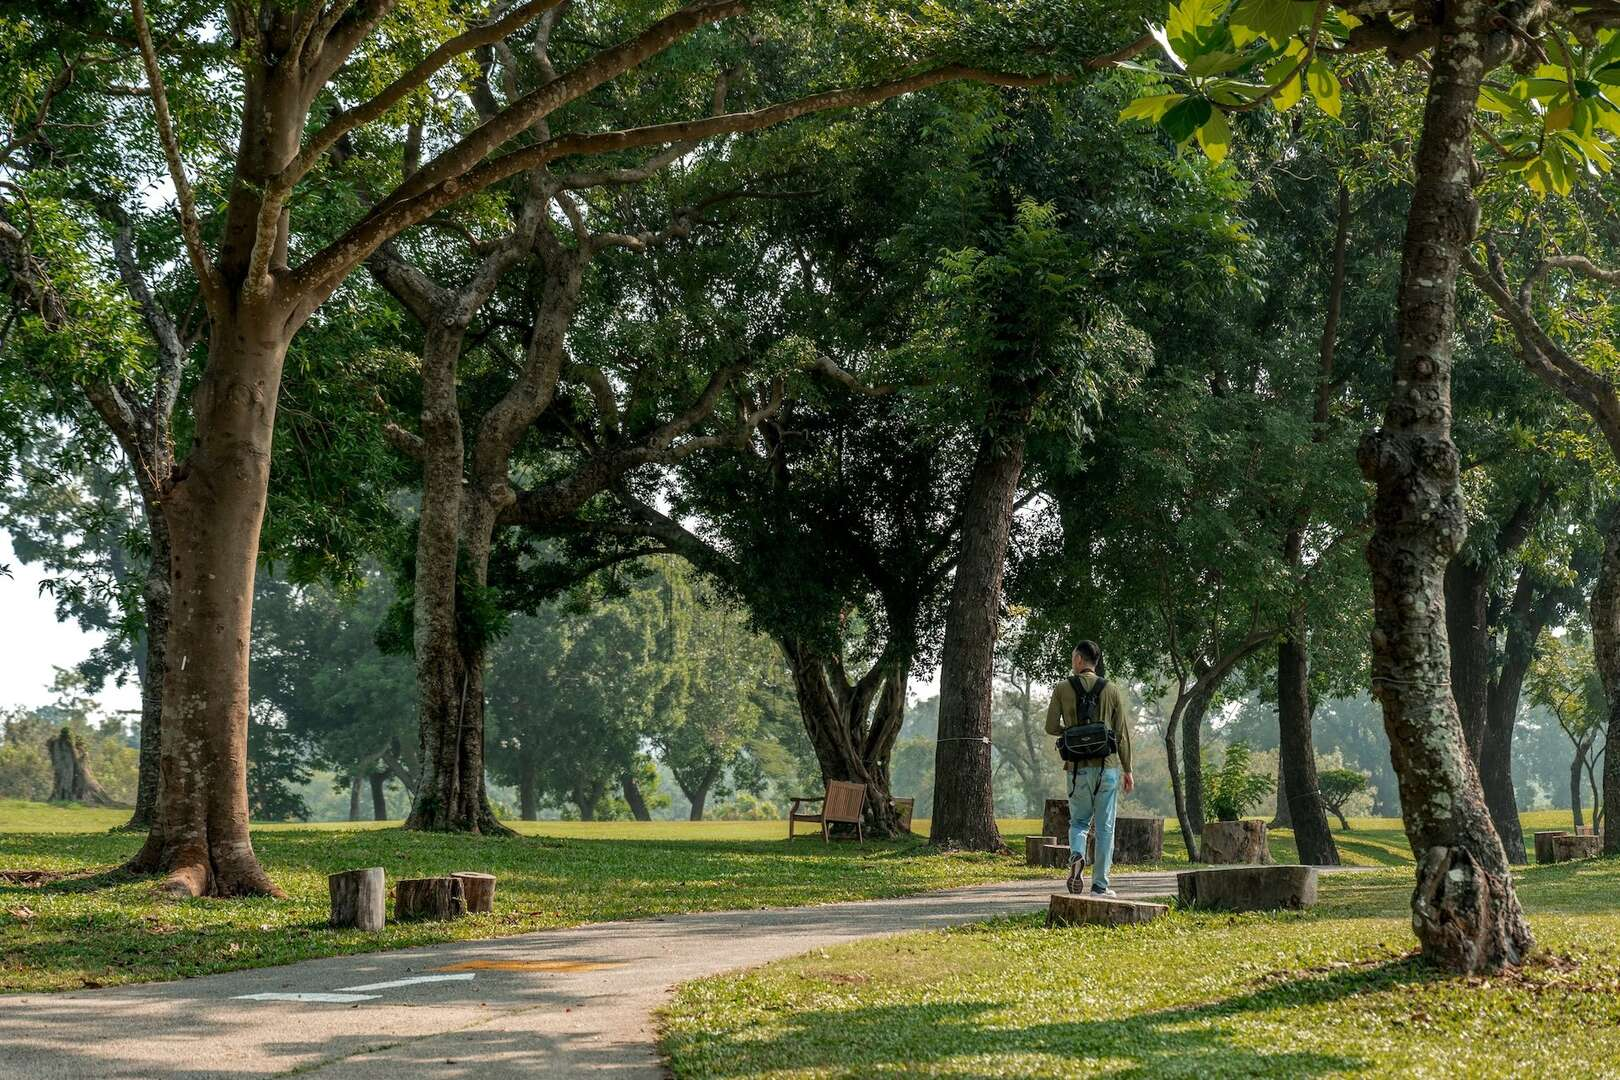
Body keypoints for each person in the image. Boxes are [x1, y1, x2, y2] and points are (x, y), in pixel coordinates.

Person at [1044, 639, 1133, 897]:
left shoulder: (1062, 688)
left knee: (1079, 822)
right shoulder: (1112, 690)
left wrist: (1072, 732)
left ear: (1079, 659)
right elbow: (1121, 734)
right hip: (1107, 768)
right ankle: (1099, 886)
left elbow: (1050, 726)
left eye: (1073, 657)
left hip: (1077, 769)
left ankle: (1077, 855)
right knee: (1105, 828)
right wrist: (1128, 769)